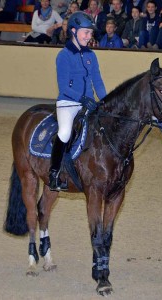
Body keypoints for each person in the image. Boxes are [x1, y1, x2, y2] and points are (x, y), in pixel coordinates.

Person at [49, 11, 107, 191]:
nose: (89, 37)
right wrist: (81, 99)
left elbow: (97, 80)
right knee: (65, 133)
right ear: (73, 31)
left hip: (89, 103)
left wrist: (105, 101)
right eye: (86, 33)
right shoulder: (63, 56)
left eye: (91, 33)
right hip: (68, 103)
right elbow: (64, 87)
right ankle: (54, 173)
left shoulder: (91, 55)